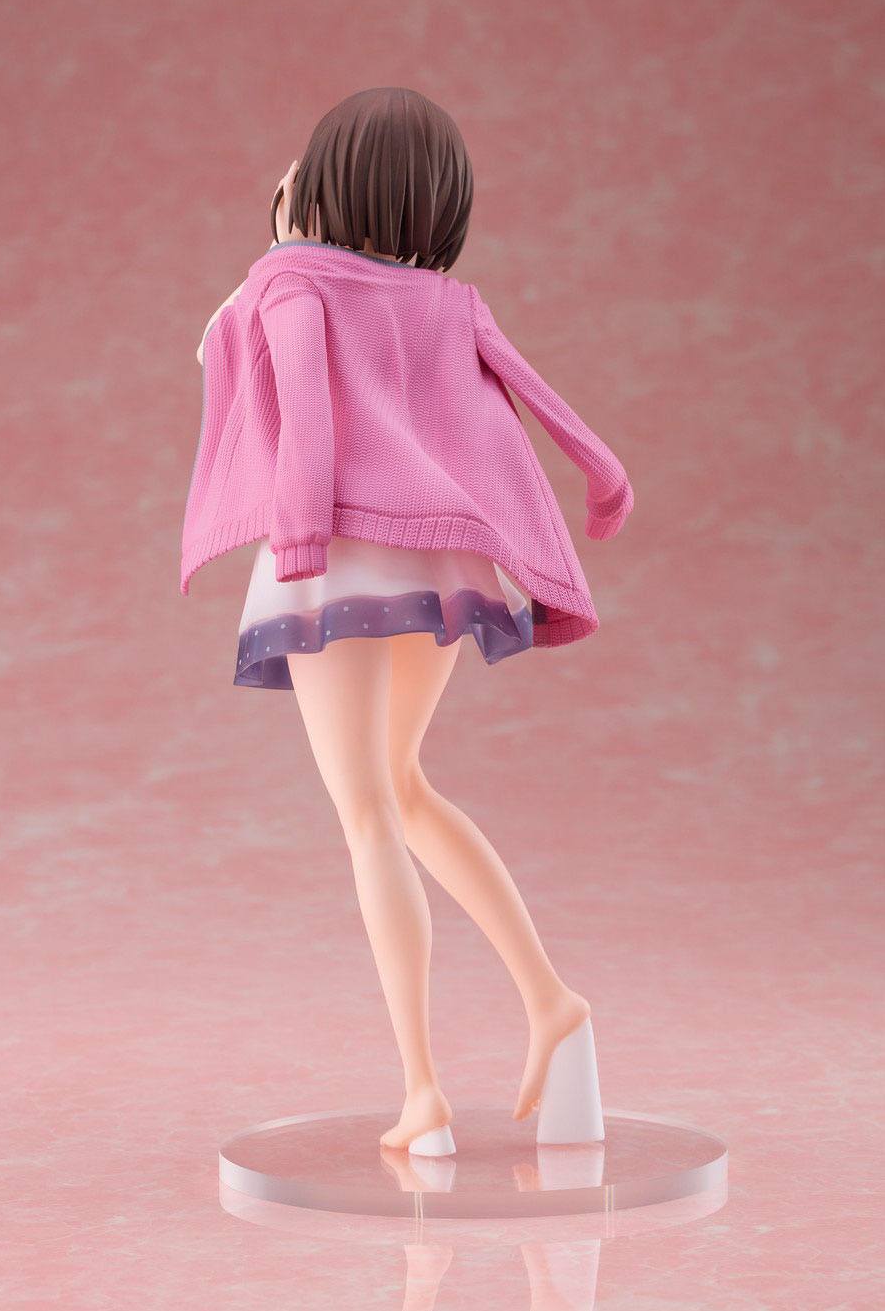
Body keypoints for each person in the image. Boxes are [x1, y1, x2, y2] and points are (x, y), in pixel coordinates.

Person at [182, 87, 633, 1155]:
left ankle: (423, 1093)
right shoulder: (445, 299)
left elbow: (284, 398)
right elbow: (538, 396)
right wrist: (604, 477)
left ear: (323, 179)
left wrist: (297, 542)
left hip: (336, 551)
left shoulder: (290, 279)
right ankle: (552, 1000)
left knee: (368, 814)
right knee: (405, 787)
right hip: (437, 558)